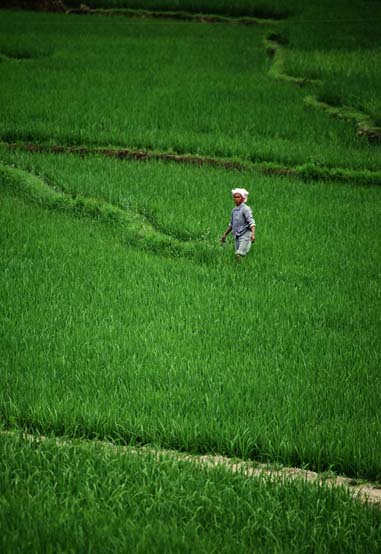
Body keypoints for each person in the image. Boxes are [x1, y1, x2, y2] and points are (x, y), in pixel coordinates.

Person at [221, 188, 256, 261]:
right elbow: (231, 224)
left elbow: (251, 222)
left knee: (239, 254)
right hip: (237, 235)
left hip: (245, 234)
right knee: (238, 254)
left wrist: (253, 234)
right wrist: (225, 234)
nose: (236, 199)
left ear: (243, 198)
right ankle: (241, 267)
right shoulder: (234, 210)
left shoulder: (245, 209)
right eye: (235, 197)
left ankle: (242, 267)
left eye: (238, 197)